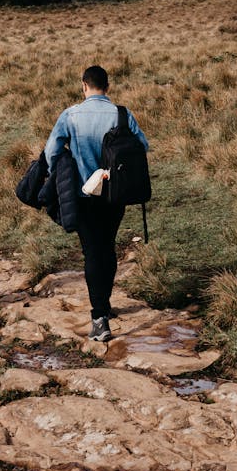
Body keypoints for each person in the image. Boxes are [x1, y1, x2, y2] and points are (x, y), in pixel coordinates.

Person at [44, 65, 149, 342]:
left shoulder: (71, 115)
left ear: (84, 86)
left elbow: (50, 152)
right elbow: (143, 146)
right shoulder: (122, 114)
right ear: (108, 86)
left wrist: (64, 168)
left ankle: (99, 317)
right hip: (116, 195)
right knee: (108, 246)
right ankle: (105, 302)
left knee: (92, 251)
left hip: (84, 195)